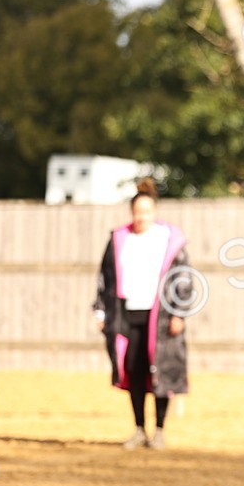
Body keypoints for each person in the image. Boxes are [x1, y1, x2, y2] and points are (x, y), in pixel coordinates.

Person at [93, 178, 192, 450]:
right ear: (132, 213)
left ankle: (159, 430)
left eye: (146, 211)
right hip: (127, 314)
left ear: (155, 212)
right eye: (138, 212)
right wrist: (101, 311)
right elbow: (105, 277)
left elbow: (182, 279)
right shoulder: (119, 239)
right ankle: (138, 428)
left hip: (160, 317)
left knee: (161, 372)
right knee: (133, 372)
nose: (142, 217)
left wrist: (178, 312)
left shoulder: (169, 239)